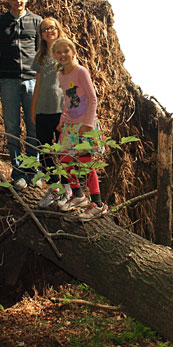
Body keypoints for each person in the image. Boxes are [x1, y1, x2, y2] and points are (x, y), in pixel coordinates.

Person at [0, 0, 41, 189]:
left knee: (33, 125)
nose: (18, 1)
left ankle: (33, 171)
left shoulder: (37, 22)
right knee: (12, 127)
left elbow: (42, 55)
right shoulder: (0, 22)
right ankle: (18, 173)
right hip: (8, 80)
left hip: (32, 80)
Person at [51, 37, 108, 220]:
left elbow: (92, 99)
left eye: (66, 51)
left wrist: (88, 124)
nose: (62, 55)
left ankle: (97, 203)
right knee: (65, 158)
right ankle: (78, 195)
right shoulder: (61, 75)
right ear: (54, 56)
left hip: (84, 123)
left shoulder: (80, 72)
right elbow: (68, 102)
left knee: (85, 162)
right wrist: (62, 120)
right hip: (70, 124)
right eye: (58, 52)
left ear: (73, 52)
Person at [31, 18, 72, 208]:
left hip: (61, 110)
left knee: (64, 150)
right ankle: (54, 188)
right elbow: (37, 84)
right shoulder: (40, 56)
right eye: (45, 29)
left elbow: (73, 83)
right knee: (45, 150)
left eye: (52, 27)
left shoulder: (65, 52)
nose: (49, 31)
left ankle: (68, 190)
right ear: (41, 34)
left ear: (58, 29)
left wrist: (70, 110)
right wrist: (33, 109)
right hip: (43, 110)